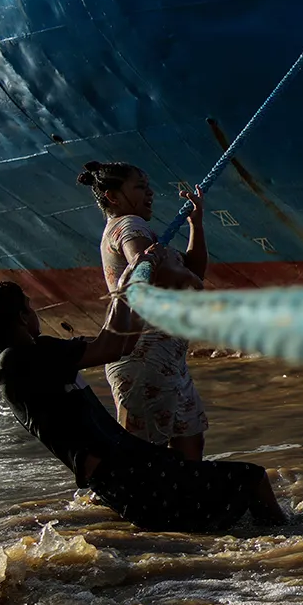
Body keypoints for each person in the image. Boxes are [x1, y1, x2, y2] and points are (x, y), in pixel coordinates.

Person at [0, 276, 285, 533]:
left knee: (209, 514)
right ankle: (291, 541)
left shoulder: (26, 357)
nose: (36, 315)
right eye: (30, 309)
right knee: (251, 479)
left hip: (124, 472)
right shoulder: (24, 359)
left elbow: (121, 345)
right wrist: (123, 293)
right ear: (20, 317)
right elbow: (108, 347)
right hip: (126, 474)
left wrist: (132, 295)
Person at [78, 161, 211, 460]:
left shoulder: (137, 228)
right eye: (140, 187)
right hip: (144, 358)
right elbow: (146, 267)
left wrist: (196, 224)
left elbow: (194, 270)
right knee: (143, 461)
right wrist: (191, 284)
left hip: (168, 360)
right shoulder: (128, 225)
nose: (150, 192)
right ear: (113, 196)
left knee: (188, 447)